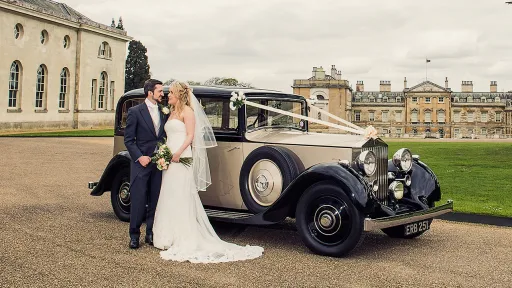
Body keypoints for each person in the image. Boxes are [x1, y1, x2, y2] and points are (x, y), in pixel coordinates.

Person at [152, 81, 264, 263]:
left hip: (181, 156)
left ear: (179, 94)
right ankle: (166, 236)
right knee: (169, 193)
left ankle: (182, 235)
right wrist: (165, 151)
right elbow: (168, 134)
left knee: (181, 194)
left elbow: (190, 135)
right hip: (169, 156)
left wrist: (178, 152)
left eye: (171, 92)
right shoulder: (171, 112)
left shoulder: (188, 112)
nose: (168, 95)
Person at [124, 79, 167, 249]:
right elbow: (129, 140)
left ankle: (150, 233)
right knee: (139, 199)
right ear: (150, 93)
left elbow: (162, 136)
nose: (162, 94)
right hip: (141, 163)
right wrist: (139, 157)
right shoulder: (135, 112)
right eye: (160, 91)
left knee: (155, 199)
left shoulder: (164, 112)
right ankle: (134, 235)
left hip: (158, 163)